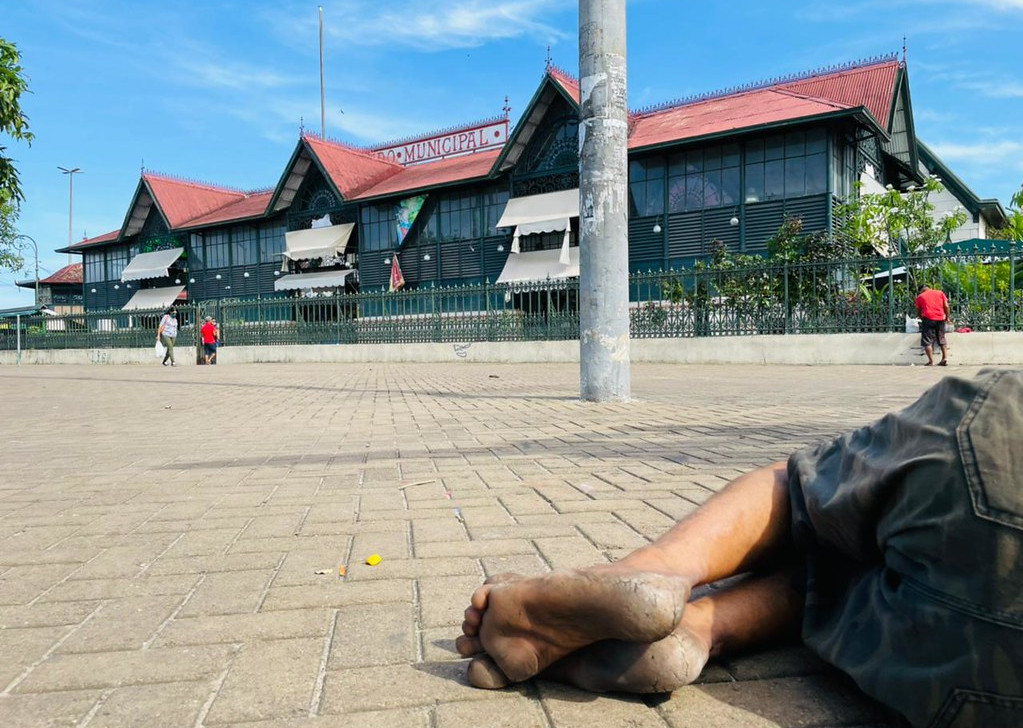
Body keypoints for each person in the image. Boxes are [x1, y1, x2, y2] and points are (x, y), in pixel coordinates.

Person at [457, 369, 1023, 727]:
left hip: (996, 467)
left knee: (807, 490)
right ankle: (702, 628)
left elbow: (801, 488)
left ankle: (658, 574)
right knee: (856, 586)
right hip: (990, 690)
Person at [914, 283, 951, 366]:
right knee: (941, 338)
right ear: (929, 288)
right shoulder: (940, 293)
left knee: (927, 340)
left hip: (928, 319)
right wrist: (947, 317)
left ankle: (931, 361)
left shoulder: (920, 297)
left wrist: (921, 317)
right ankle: (945, 358)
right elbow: (946, 306)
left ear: (921, 290)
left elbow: (919, 310)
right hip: (940, 318)